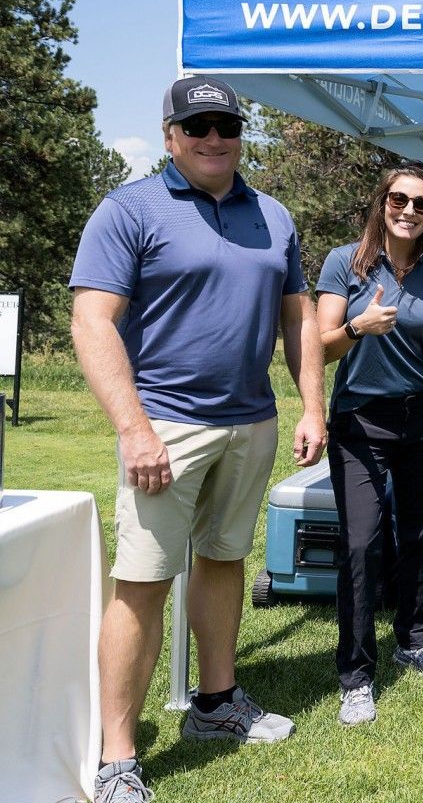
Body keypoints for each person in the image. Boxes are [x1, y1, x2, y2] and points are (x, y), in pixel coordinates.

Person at [70, 75, 326, 802]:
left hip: (251, 422)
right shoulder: (130, 210)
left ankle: (215, 705)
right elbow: (92, 323)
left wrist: (312, 407)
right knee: (142, 584)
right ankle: (116, 757)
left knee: (223, 560)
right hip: (166, 430)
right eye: (198, 126)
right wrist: (134, 430)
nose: (215, 138)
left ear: (242, 132)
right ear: (170, 135)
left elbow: (299, 318)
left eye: (227, 125)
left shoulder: (272, 215)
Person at [315, 165, 423, 726]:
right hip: (361, 420)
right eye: (399, 199)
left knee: (420, 533)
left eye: (420, 205)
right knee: (361, 543)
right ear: (382, 203)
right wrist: (359, 327)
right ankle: (356, 675)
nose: (408, 210)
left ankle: (415, 638)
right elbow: (320, 348)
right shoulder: (345, 262)